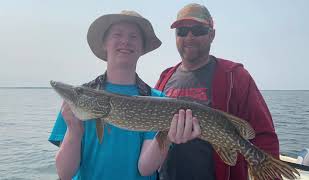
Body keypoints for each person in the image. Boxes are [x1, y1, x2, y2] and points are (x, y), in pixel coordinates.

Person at [48, 10, 201, 180]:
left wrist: (167, 138)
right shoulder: (81, 97)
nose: (125, 41)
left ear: (142, 48)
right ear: (104, 43)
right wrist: (74, 130)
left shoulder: (158, 101)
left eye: (134, 36)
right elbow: (65, 173)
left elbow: (145, 168)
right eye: (117, 34)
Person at [155, 3, 280, 180]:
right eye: (182, 31)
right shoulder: (165, 77)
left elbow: (264, 135)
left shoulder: (235, 76)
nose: (189, 37)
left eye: (198, 30)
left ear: (211, 34)